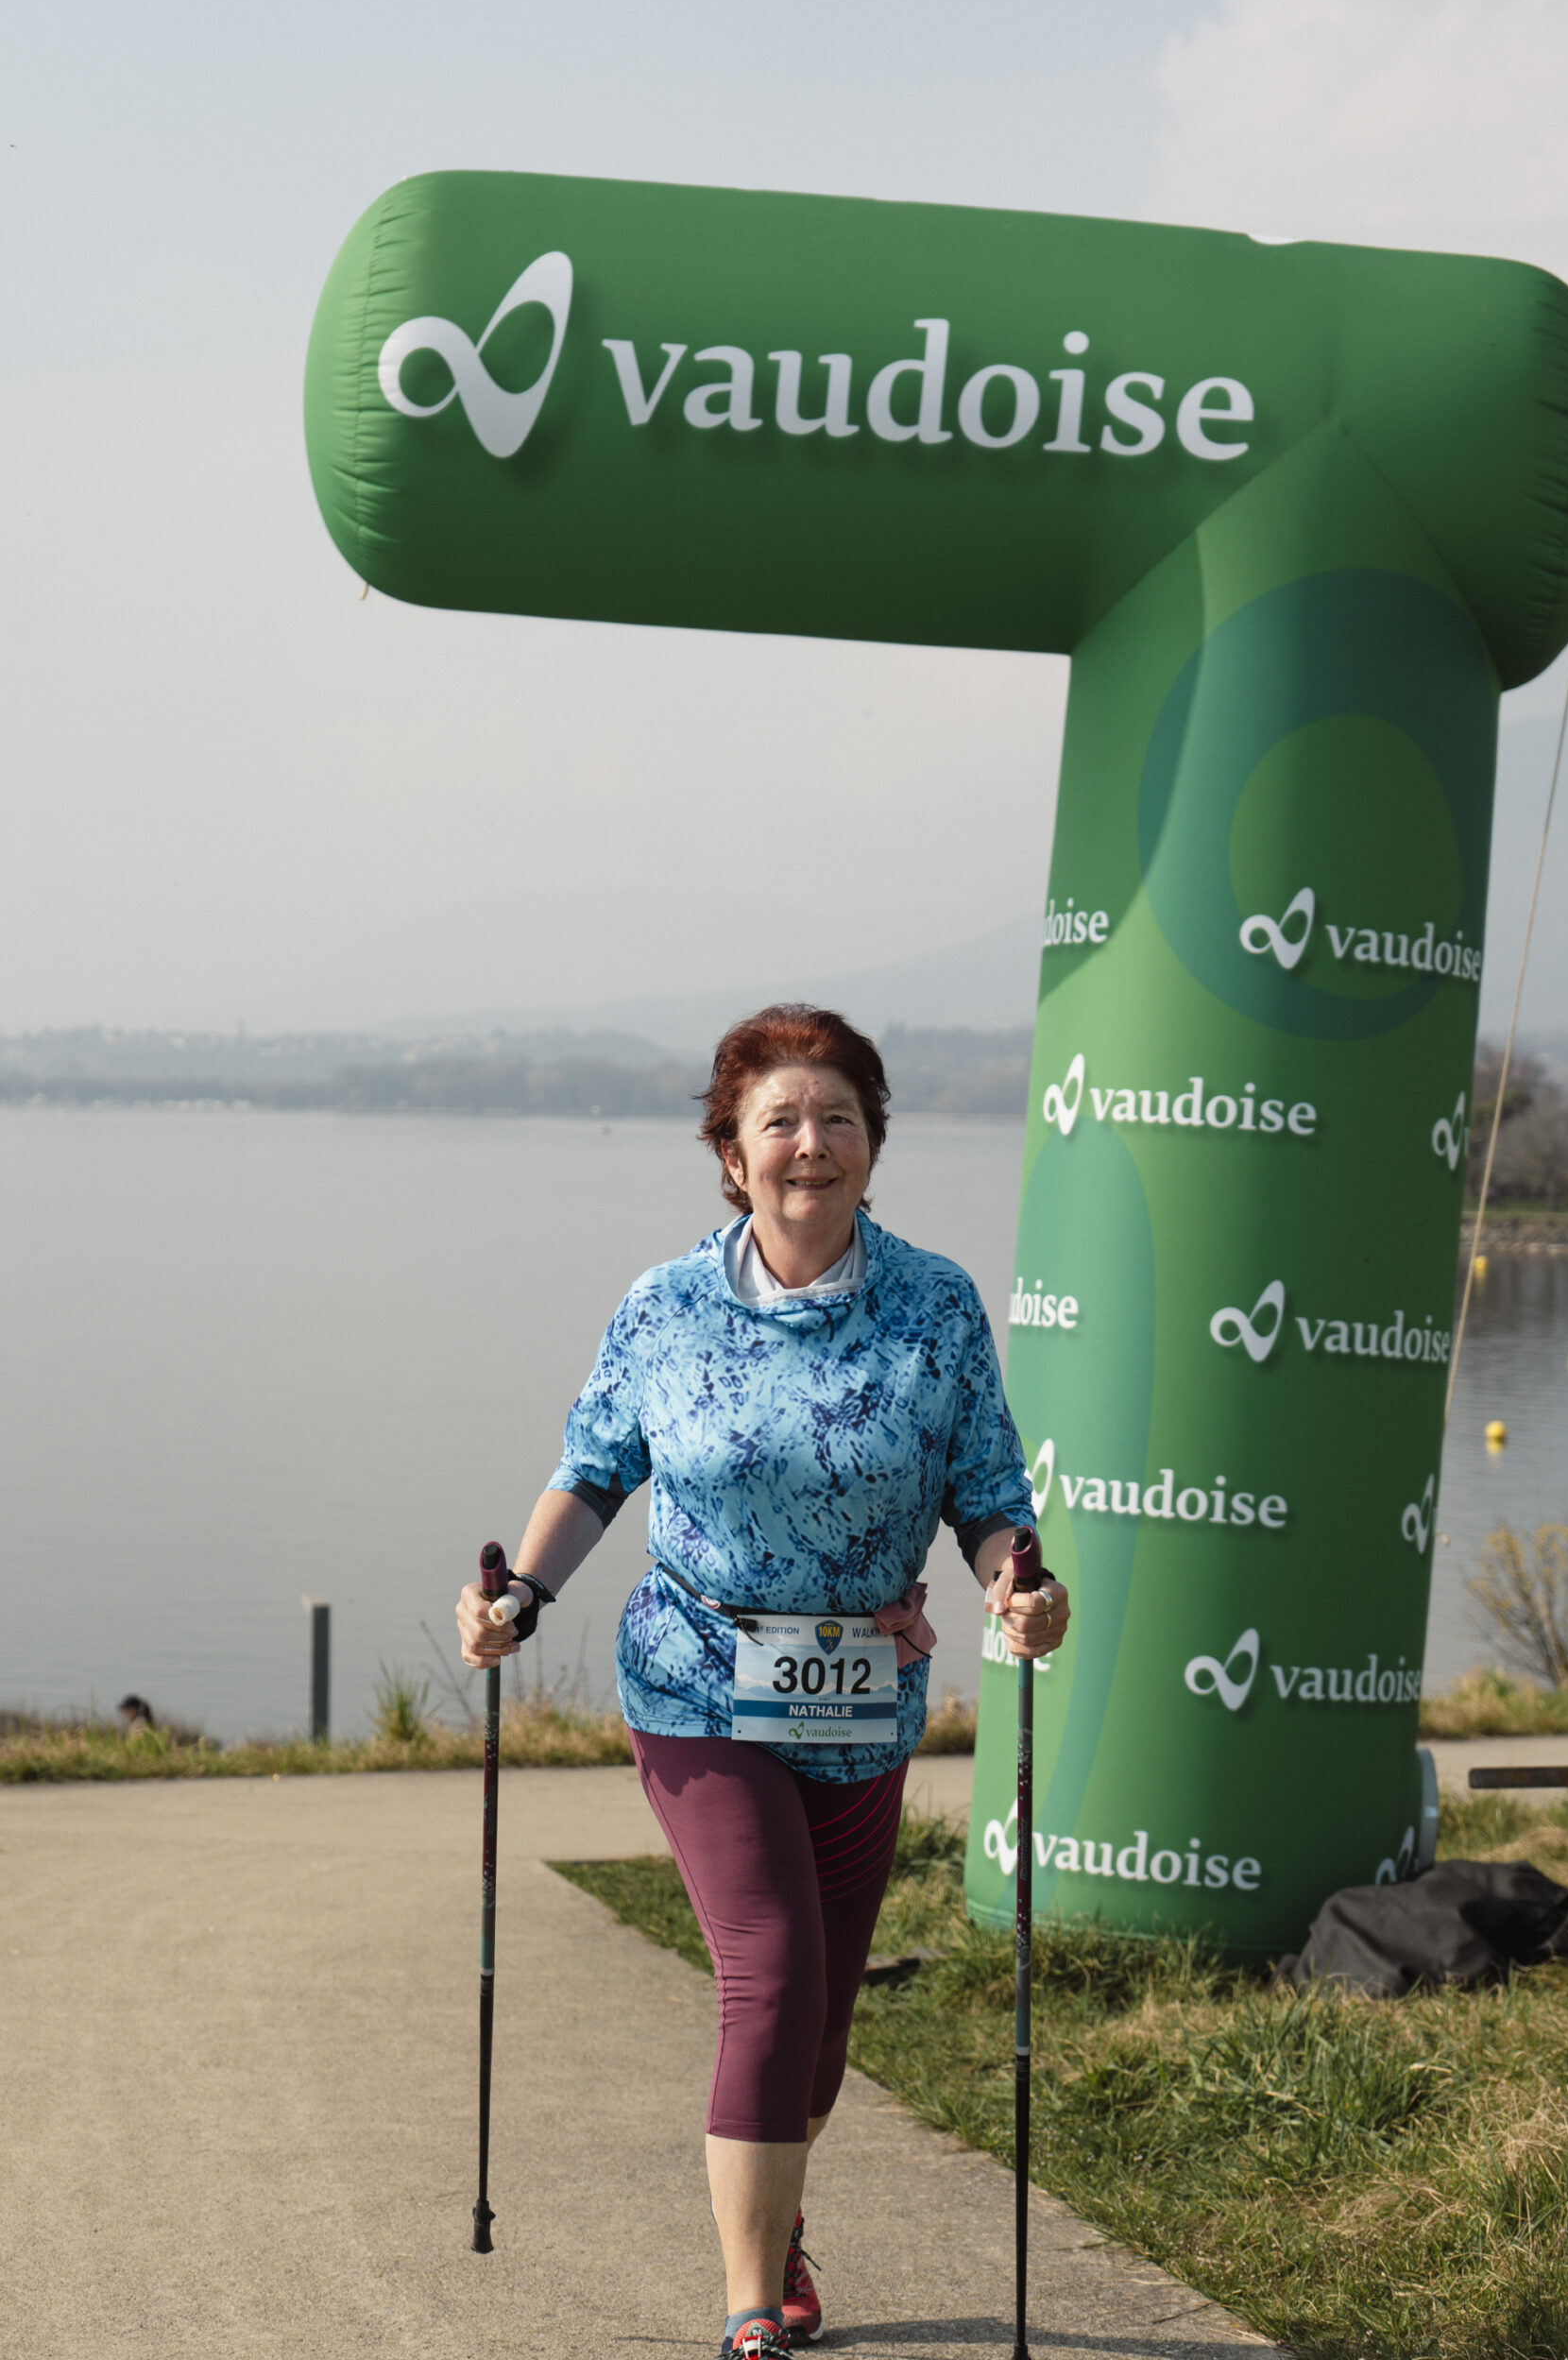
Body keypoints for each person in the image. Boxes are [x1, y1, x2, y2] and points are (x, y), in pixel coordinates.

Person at [456, 1003, 1069, 2360]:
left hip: (862, 1701)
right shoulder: (665, 1308)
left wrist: (1019, 1588)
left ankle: (776, 2219)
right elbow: (593, 1470)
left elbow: (987, 1499)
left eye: (837, 1117)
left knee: (822, 2036)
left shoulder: (937, 1305)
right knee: (774, 1973)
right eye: (779, 1121)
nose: (811, 1143)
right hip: (698, 1685)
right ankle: (751, 2312)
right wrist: (522, 1594)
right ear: (732, 1156)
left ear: (872, 1145)